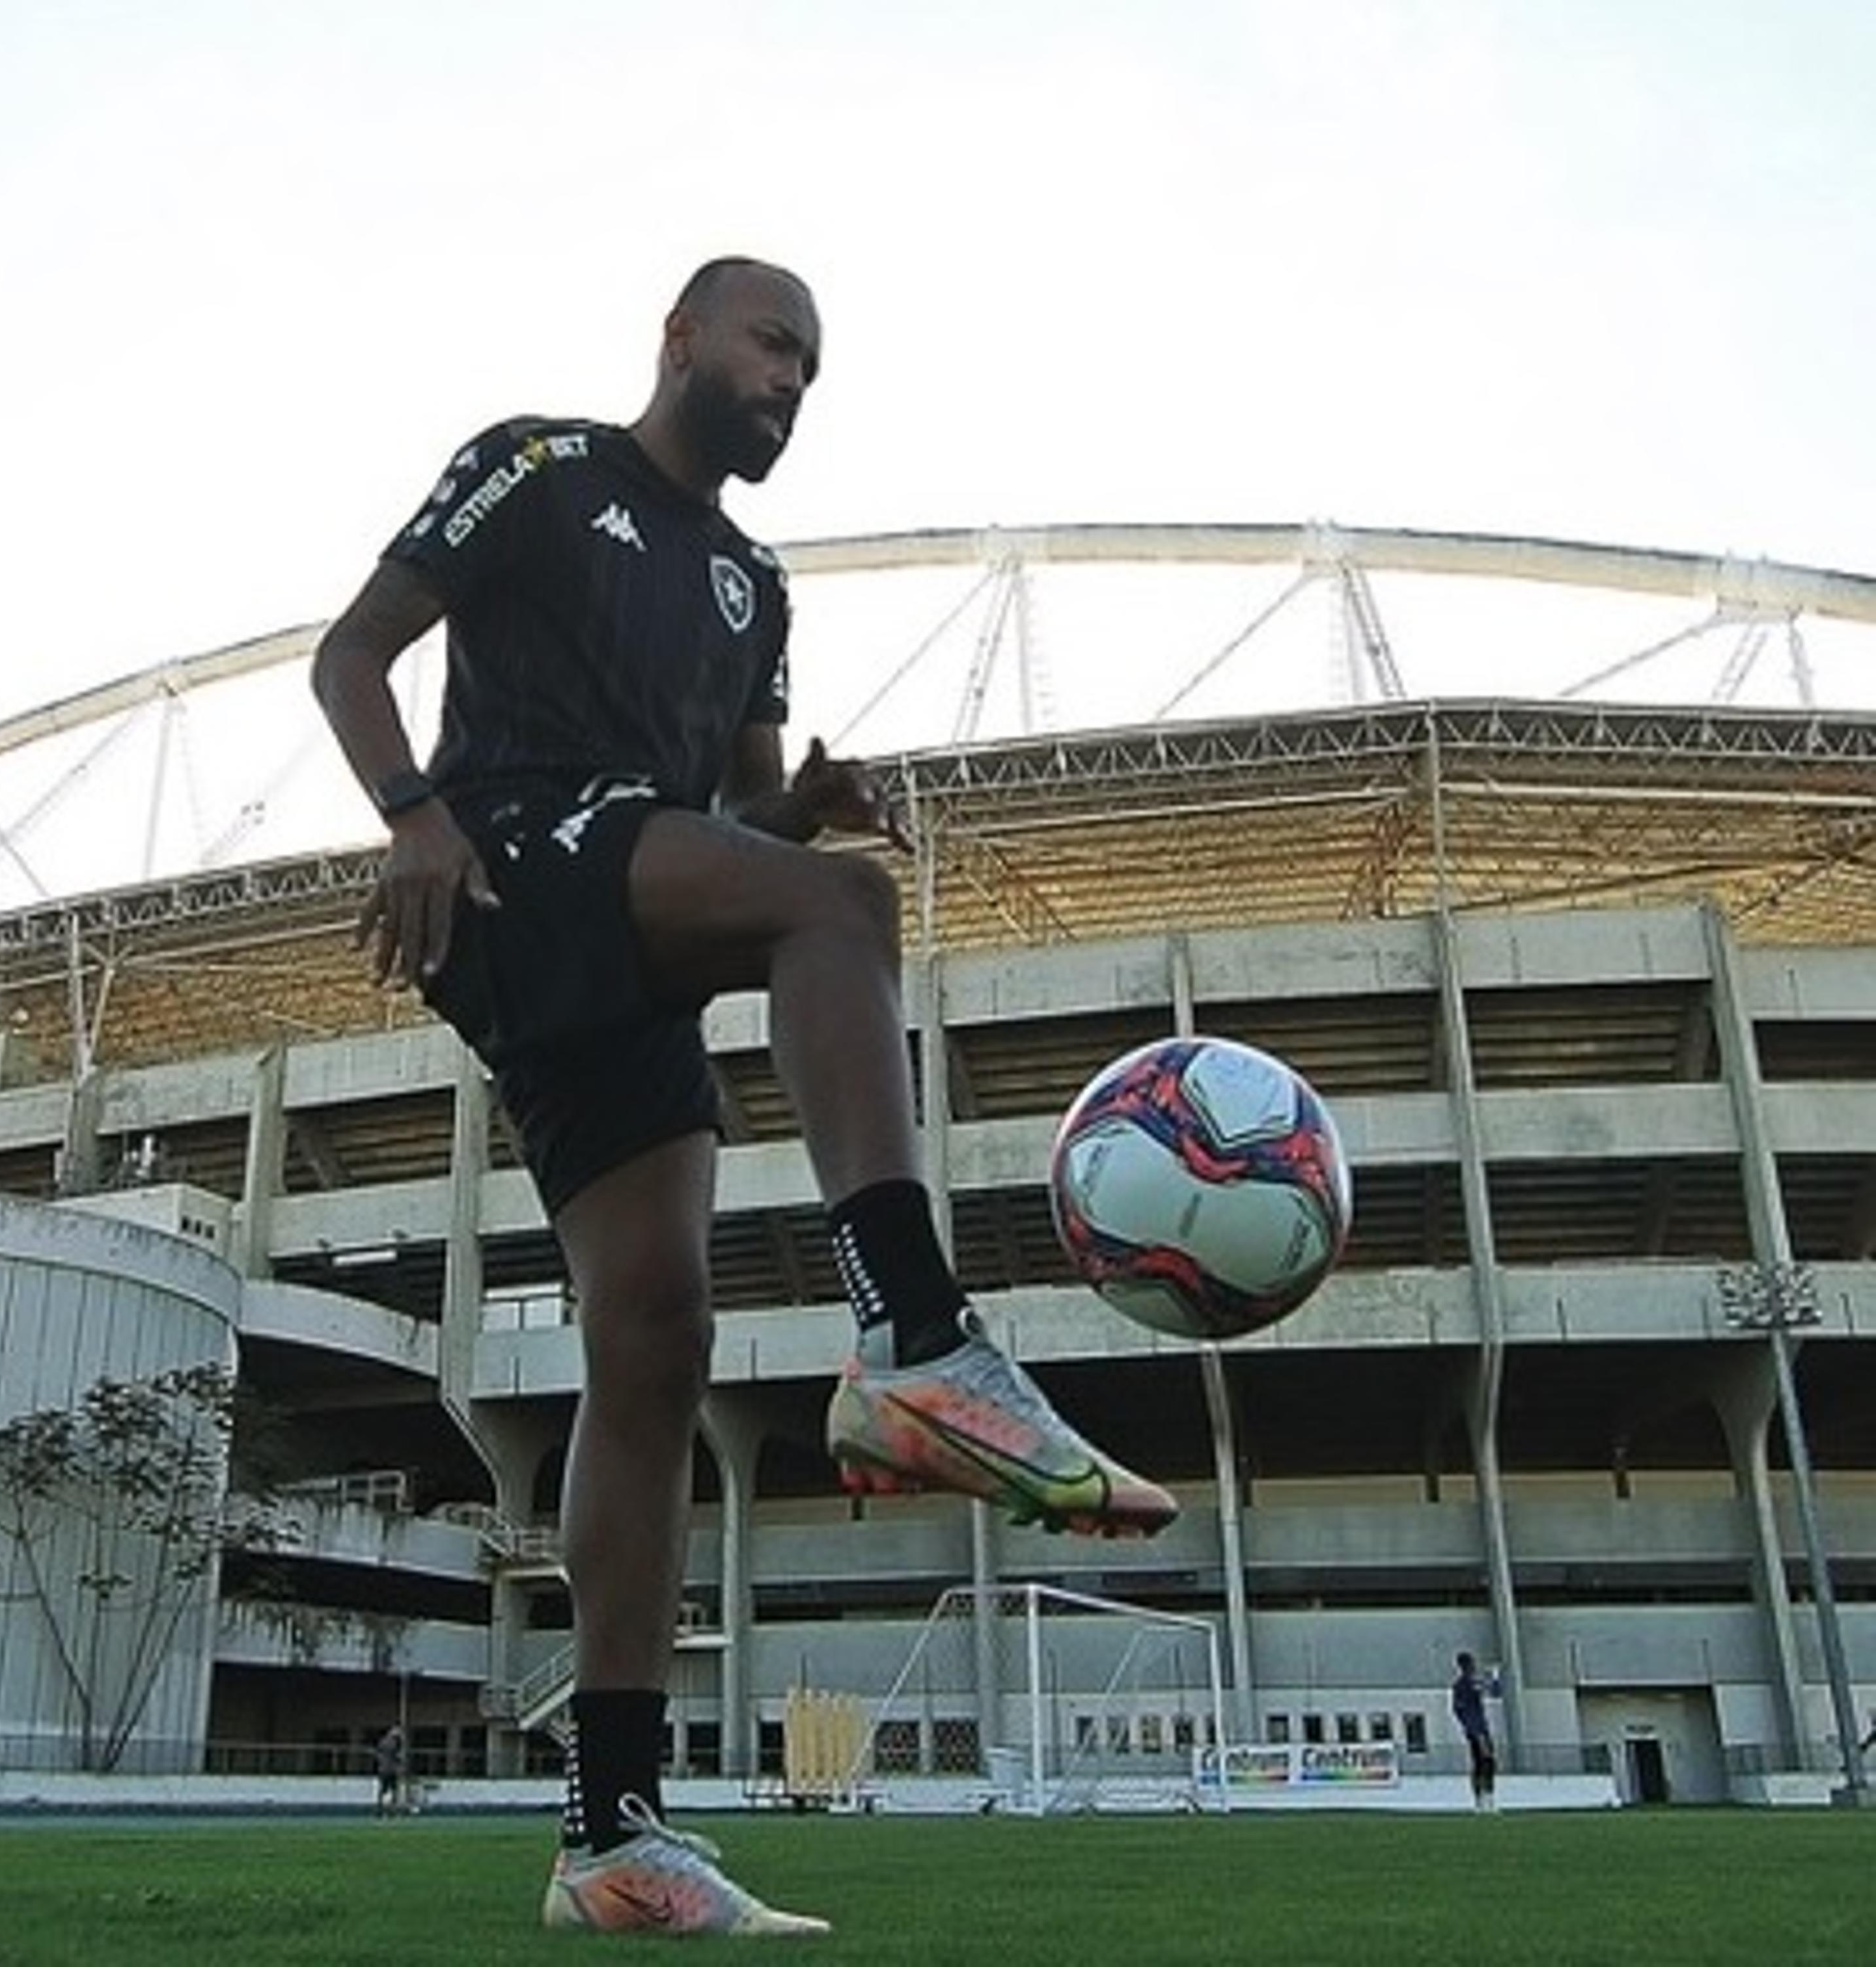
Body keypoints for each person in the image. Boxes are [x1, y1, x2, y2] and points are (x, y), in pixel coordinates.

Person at [311, 255, 1175, 1938]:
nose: (791, 380)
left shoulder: (754, 587)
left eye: (814, 368)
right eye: (774, 342)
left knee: (656, 1337)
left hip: (629, 928)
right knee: (849, 905)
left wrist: (811, 803)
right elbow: (352, 656)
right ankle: (917, 1335)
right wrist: (411, 811)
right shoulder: (543, 468)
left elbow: (749, 820)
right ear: (685, 335)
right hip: (511, 860)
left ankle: (613, 1832)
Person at [1452, 1651, 1500, 1811]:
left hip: (1481, 1728)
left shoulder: (1470, 1682)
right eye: (1471, 1664)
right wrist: (1469, 1726)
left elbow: (1493, 1691)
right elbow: (1458, 1709)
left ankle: (1486, 1799)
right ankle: (1483, 1801)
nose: (1473, 1666)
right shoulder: (1462, 1684)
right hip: (1476, 1729)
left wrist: (1493, 1679)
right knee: (1483, 1761)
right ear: (1464, 1666)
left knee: (1487, 1762)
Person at [373, 1722, 406, 1815]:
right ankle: (392, 1809)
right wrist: (400, 1763)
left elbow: (378, 1754)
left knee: (383, 1790)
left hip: (383, 1769)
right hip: (391, 1770)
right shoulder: (395, 1743)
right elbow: (398, 1756)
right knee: (394, 1790)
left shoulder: (382, 1741)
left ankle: (379, 1808)